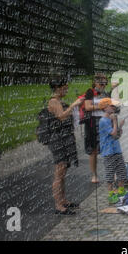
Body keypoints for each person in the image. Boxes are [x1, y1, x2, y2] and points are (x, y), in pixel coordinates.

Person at [47, 78, 84, 215]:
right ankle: (58, 205)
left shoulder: (60, 101)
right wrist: (73, 105)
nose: (66, 90)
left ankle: (63, 200)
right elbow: (61, 116)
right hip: (58, 140)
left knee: (63, 172)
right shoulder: (53, 101)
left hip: (65, 138)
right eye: (64, 88)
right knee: (59, 172)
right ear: (57, 87)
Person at [98, 98, 127, 204]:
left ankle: (121, 192)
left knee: (121, 172)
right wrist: (115, 122)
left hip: (116, 150)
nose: (114, 108)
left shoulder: (110, 119)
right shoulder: (103, 121)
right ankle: (111, 195)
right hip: (108, 152)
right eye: (112, 106)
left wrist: (120, 127)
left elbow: (116, 136)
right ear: (105, 108)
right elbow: (113, 133)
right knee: (110, 174)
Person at [84, 73, 111, 184]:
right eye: (101, 83)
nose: (103, 85)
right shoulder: (90, 92)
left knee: (107, 149)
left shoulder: (105, 93)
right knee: (93, 151)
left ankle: (110, 173)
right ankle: (94, 175)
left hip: (105, 121)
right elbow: (87, 106)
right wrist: (100, 106)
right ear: (95, 82)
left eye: (105, 83)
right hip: (92, 123)